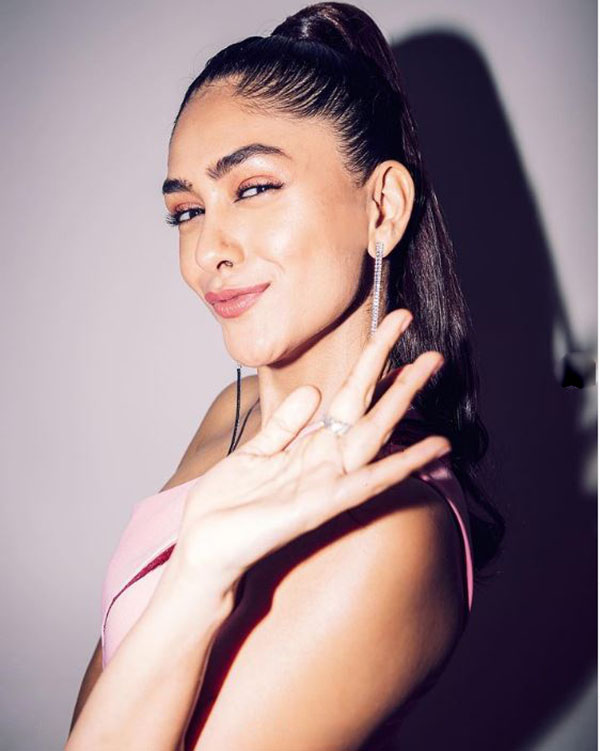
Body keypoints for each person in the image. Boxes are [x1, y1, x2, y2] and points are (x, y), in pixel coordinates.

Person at [66, 3, 505, 749]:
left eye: (254, 188)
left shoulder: (390, 530)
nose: (207, 251)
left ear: (382, 209)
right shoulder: (230, 411)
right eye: (186, 210)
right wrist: (198, 572)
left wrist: (199, 583)